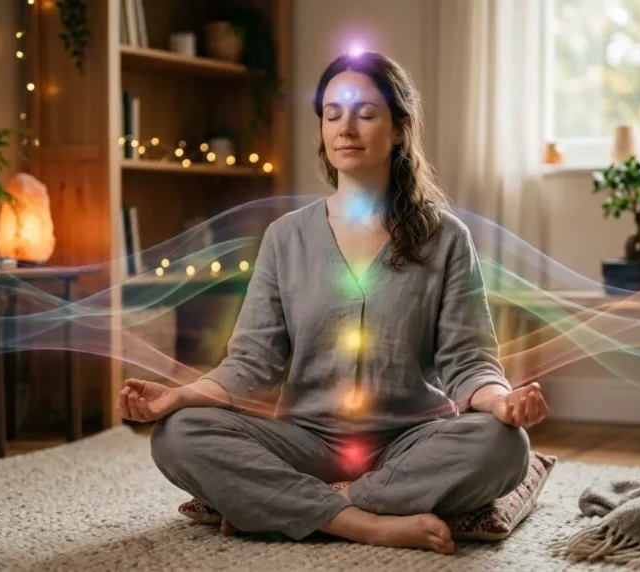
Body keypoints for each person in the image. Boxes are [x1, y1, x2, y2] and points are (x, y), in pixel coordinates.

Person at [117, 50, 548, 555]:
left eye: (365, 113)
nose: (346, 127)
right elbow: (252, 363)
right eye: (332, 113)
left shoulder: (446, 237)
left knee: (504, 446)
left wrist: (502, 401)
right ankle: (363, 523)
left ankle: (298, 508)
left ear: (400, 128)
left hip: (412, 443)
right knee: (177, 434)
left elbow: (469, 359)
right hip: (306, 443)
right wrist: (179, 397)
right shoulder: (285, 237)